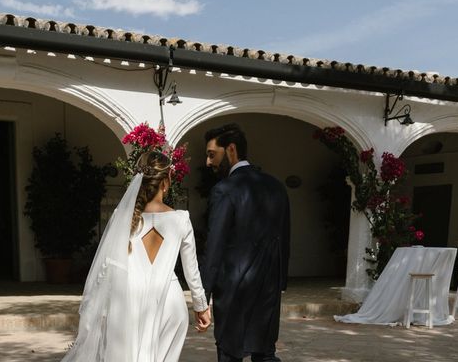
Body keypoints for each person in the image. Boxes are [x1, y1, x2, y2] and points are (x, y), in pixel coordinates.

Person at [61, 151, 211, 362]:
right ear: (166, 181)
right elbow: (191, 271)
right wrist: (201, 306)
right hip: (170, 301)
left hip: (128, 302)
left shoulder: (121, 217)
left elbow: (106, 266)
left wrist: (98, 309)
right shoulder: (181, 219)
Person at [202, 123, 291, 362]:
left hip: (233, 291)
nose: (208, 162)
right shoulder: (277, 187)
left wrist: (203, 295)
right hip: (268, 289)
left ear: (231, 150)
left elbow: (215, 245)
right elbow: (285, 238)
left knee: (230, 355)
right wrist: (280, 282)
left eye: (212, 154)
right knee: (265, 353)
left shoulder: (224, 189)